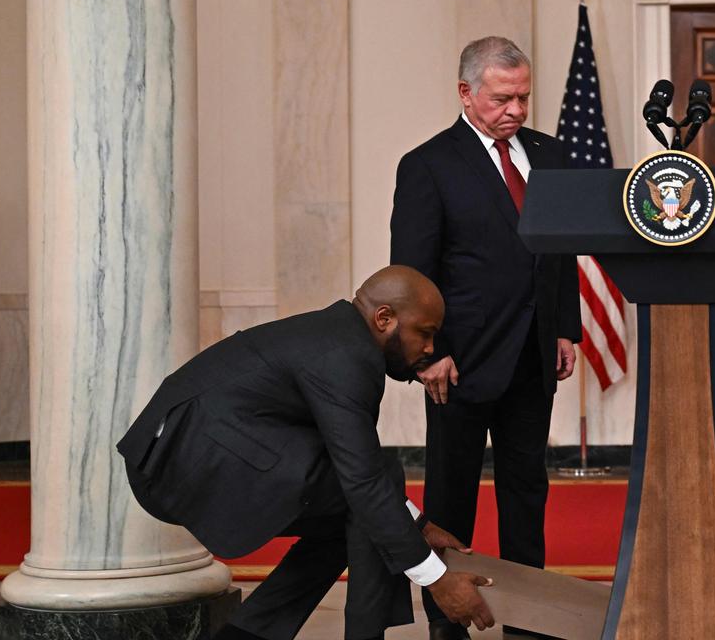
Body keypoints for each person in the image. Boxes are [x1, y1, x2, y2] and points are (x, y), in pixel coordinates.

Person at [117, 266, 496, 640]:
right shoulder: (346, 355)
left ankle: (248, 634)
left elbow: (353, 473)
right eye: (424, 333)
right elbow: (362, 479)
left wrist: (420, 527)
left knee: (357, 509)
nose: (430, 348)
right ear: (384, 318)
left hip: (186, 451)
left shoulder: (340, 337)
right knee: (370, 488)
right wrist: (438, 579)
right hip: (186, 459)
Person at [389, 36, 581, 640]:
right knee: (452, 501)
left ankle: (530, 620)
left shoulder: (549, 157)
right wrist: (426, 355)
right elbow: (410, 275)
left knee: (528, 492)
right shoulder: (427, 165)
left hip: (532, 357)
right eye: (503, 98)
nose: (517, 110)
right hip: (459, 365)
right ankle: (449, 625)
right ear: (466, 93)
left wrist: (565, 328)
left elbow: (559, 253)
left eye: (524, 96)